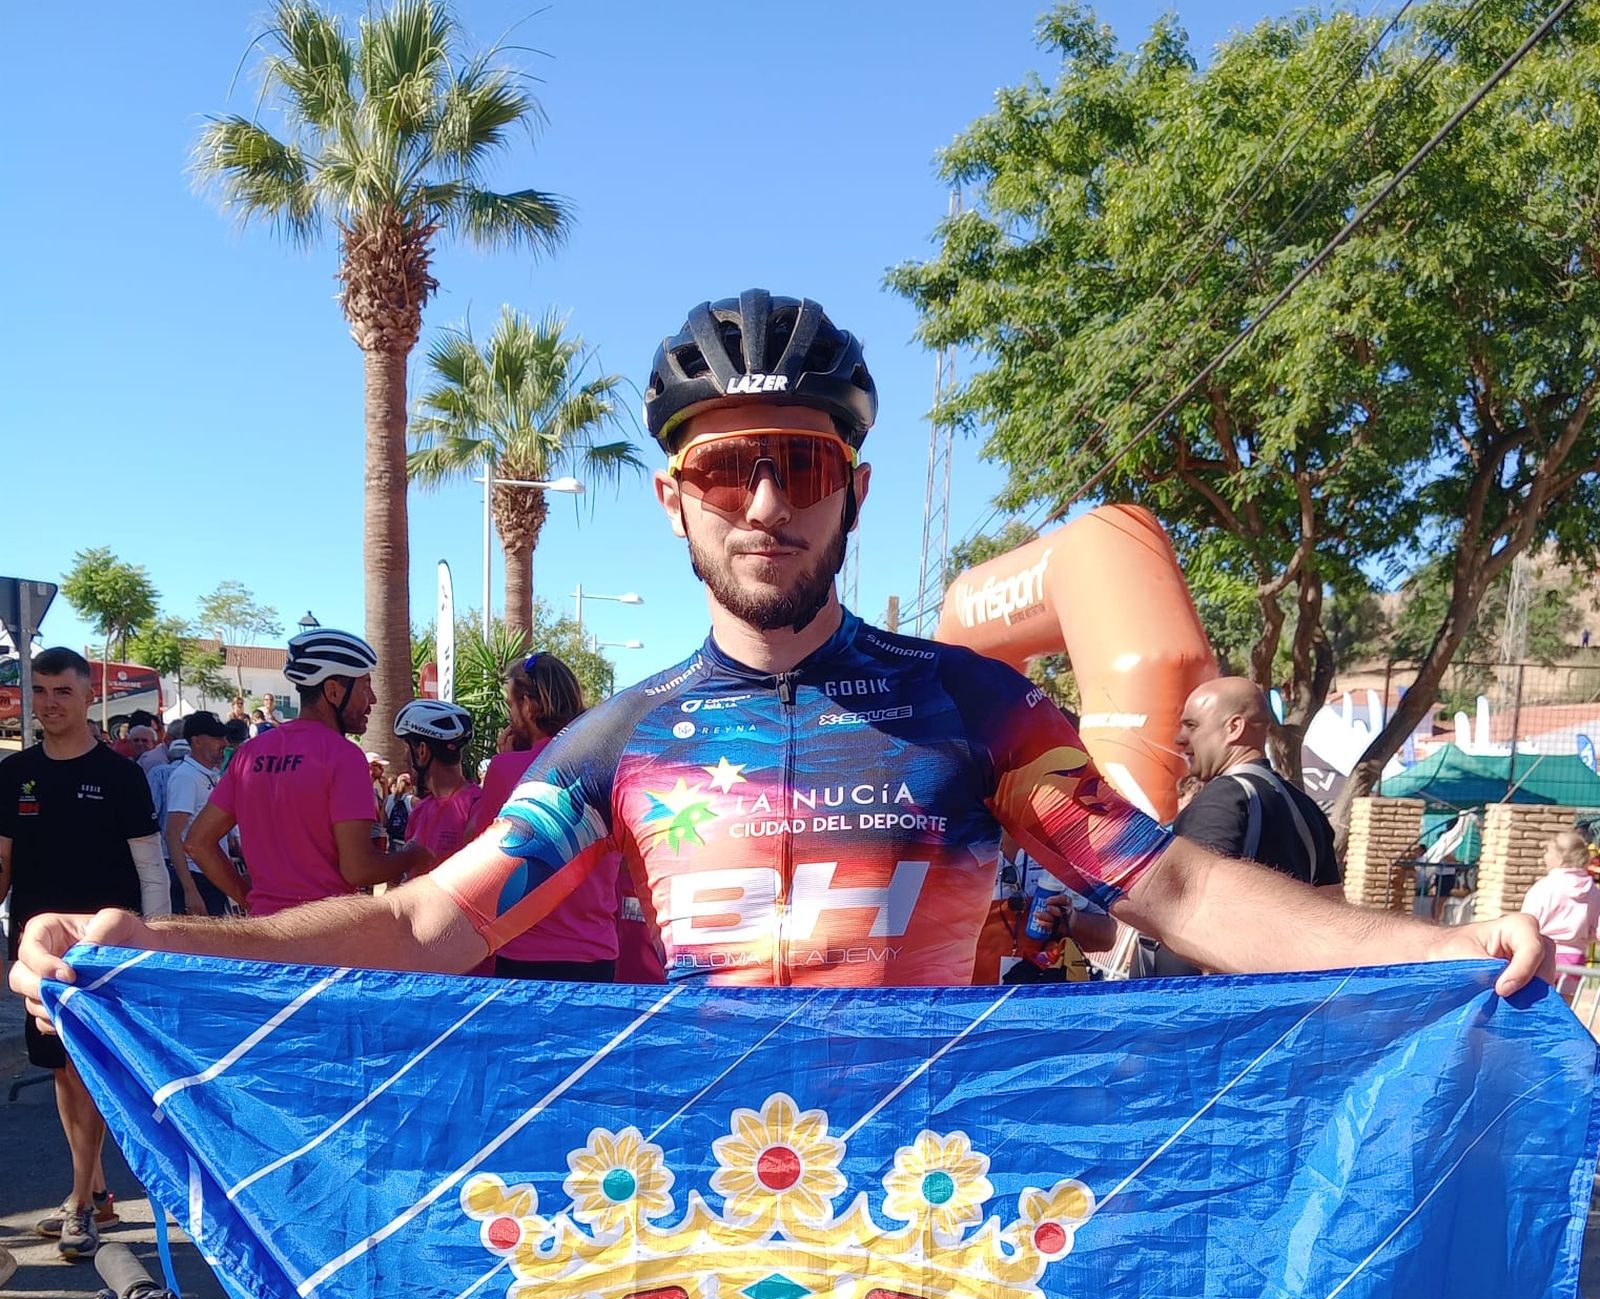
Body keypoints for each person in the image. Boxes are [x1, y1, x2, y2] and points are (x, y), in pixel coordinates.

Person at [11, 290, 1548, 1039]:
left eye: (800, 464)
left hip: (949, 1232)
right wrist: (159, 946)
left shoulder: (978, 707)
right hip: (694, 1220)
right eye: (730, 464)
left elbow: (1182, 891)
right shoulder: (621, 741)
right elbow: (424, 918)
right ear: (676, 493)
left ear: (851, 489)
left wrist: (1443, 953)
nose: (766, 500)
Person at [0, 647, 171, 1258]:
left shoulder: (121, 775)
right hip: (33, 952)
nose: (49, 703)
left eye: (62, 692)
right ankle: (93, 1192)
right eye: (40, 691)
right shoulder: (14, 774)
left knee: (82, 1070)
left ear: (87, 697)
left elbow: (151, 867)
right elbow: (3, 864)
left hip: (102, 952)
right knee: (58, 1067)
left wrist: (156, 935)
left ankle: (78, 1203)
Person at [182, 627, 430, 916]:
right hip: (324, 932)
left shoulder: (249, 753)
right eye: (365, 686)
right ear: (334, 691)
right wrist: (413, 855)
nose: (372, 699)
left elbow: (197, 842)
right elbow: (359, 869)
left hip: (265, 931)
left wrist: (248, 897)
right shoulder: (344, 756)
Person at [1152, 677, 1342, 978]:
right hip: (1277, 995)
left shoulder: (1223, 799)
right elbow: (1332, 911)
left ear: (1234, 728)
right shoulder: (1305, 807)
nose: (1179, 739)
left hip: (1208, 1007)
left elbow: (1188, 907)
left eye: (1192, 725)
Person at [469, 653, 625, 980]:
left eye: (511, 706)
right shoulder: (610, 767)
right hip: (594, 952)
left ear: (529, 705)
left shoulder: (506, 769)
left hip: (524, 951)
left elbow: (477, 856)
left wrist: (506, 762)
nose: (510, 718)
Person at [396, 701, 481, 865]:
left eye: (407, 749)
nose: (404, 758)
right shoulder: (420, 809)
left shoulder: (475, 806)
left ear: (422, 751)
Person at [164, 712, 231, 916]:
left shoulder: (207, 774)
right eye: (217, 737)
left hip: (211, 874)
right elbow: (173, 834)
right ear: (197, 741)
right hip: (196, 877)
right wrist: (190, 890)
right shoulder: (186, 777)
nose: (224, 743)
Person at [1521, 829, 1600, 999]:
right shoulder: (1592, 890)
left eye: (1548, 851)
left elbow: (1526, 923)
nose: (1544, 856)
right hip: (1574, 957)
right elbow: (1596, 930)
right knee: (1563, 1013)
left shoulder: (1544, 887)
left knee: (1534, 1009)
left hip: (1541, 955)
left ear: (1560, 856)